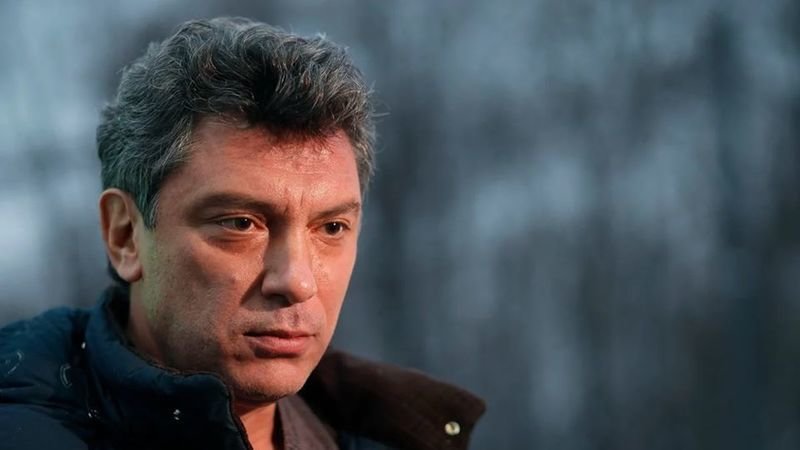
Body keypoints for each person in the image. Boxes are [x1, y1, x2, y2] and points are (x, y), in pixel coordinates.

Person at [0, 17, 485, 450]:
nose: (297, 282)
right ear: (125, 235)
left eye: (332, 227)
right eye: (241, 224)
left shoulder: (393, 435)